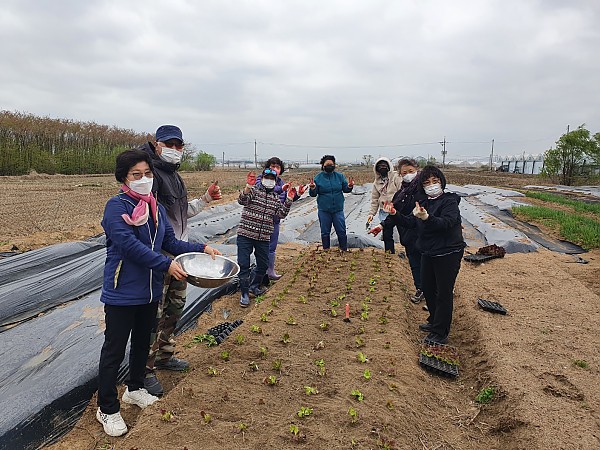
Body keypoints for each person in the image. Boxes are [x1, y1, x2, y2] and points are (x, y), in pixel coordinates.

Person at [97, 149, 220, 437]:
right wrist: (167, 264)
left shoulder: (155, 208)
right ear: (124, 178)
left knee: (142, 343)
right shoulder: (117, 207)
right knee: (114, 350)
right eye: (136, 175)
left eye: (148, 174)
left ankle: (135, 388)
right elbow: (128, 246)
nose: (144, 179)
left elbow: (169, 241)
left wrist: (202, 249)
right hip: (123, 291)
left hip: (150, 290)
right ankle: (107, 407)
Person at [139, 125, 222, 397]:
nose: (175, 150)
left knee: (174, 309)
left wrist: (206, 199)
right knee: (154, 315)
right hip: (159, 259)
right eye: (169, 144)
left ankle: (164, 356)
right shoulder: (150, 175)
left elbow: (181, 212)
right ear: (156, 144)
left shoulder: (174, 177)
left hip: (179, 256)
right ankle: (144, 371)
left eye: (179, 145)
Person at [369, 165, 465, 344]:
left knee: (443, 292)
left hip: (448, 252)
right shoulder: (424, 203)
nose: (432, 185)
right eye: (427, 182)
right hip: (428, 251)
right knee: (428, 288)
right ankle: (434, 320)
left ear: (442, 182)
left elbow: (446, 222)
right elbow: (410, 223)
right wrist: (395, 213)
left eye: (435, 181)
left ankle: (440, 332)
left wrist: (427, 218)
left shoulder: (449, 201)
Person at [238, 168, 295, 307]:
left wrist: (289, 199)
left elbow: (281, 214)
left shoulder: (275, 198)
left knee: (263, 264)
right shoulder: (254, 191)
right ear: (262, 178)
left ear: (275, 181)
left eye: (272, 178)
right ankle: (244, 293)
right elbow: (242, 200)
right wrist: (248, 186)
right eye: (267, 177)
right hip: (246, 234)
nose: (269, 180)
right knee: (244, 264)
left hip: (263, 237)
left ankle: (254, 286)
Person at [254, 157, 304, 284]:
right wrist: (281, 189)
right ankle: (259, 274)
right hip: (261, 220)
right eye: (271, 167)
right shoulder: (261, 179)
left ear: (281, 170)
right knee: (261, 247)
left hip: (275, 220)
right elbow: (263, 188)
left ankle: (270, 271)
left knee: (272, 247)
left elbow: (285, 199)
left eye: (277, 167)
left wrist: (296, 194)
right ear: (267, 168)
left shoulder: (282, 183)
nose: (274, 169)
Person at [386, 158, 424, 303]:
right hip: (407, 234)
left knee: (428, 264)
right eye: (404, 172)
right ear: (400, 175)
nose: (408, 174)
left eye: (411, 171)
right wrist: (382, 225)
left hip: (423, 234)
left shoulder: (423, 189)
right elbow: (395, 213)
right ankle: (420, 289)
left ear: (417, 170)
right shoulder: (400, 194)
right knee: (414, 263)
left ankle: (437, 291)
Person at [308, 155, 354, 251]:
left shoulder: (339, 176)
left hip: (338, 209)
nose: (330, 166)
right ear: (323, 165)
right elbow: (313, 194)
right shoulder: (318, 178)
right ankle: (326, 250)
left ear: (334, 165)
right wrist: (312, 188)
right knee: (325, 231)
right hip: (324, 210)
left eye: (331, 164)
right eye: (327, 164)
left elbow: (345, 189)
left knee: (341, 230)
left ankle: (344, 249)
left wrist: (349, 186)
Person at [367, 157, 402, 253]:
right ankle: (389, 252)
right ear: (376, 169)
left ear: (389, 167)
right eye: (380, 166)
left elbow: (402, 192)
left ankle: (402, 251)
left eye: (384, 166)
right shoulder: (377, 182)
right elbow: (374, 199)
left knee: (401, 231)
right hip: (384, 211)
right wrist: (371, 214)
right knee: (387, 233)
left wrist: (396, 205)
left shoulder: (395, 177)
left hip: (396, 210)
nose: (382, 168)